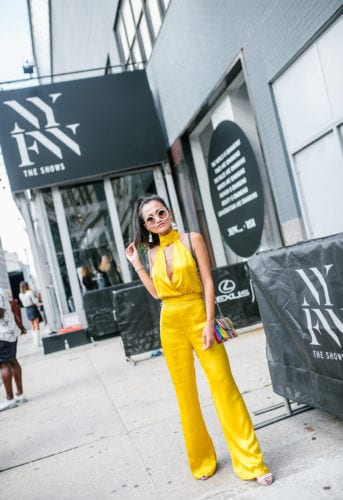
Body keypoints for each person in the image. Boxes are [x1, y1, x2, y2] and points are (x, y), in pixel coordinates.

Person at [125, 194, 274, 486]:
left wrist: (207, 324)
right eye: (150, 219)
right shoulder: (151, 253)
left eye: (160, 212)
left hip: (198, 317)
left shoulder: (192, 239)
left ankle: (252, 462)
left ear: (169, 211)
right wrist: (136, 263)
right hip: (170, 324)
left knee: (224, 387)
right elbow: (157, 294)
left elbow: (207, 281)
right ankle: (202, 460)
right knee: (186, 398)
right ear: (145, 226)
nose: (158, 220)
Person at [0, 288, 27, 411]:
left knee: (4, 364)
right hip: (11, 331)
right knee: (13, 361)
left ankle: (10, 399)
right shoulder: (2, 290)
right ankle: (20, 394)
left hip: (2, 334)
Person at [19, 281, 42, 347]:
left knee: (33, 326)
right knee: (36, 325)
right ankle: (37, 342)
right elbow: (35, 301)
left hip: (27, 309)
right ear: (27, 285)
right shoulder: (30, 292)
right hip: (33, 308)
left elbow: (23, 304)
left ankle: (35, 342)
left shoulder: (20, 294)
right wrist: (38, 297)